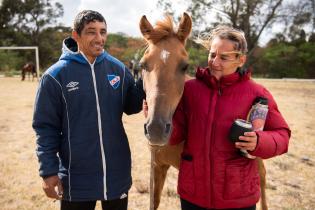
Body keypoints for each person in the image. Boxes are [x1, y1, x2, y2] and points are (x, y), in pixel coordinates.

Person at [169, 26, 291, 210]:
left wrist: (258, 141)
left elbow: (282, 136)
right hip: (193, 195)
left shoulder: (257, 93)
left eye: (224, 57)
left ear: (241, 60)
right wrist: (157, 120)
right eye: (212, 55)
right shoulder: (190, 90)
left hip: (238, 197)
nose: (215, 62)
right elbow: (175, 136)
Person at [32, 10, 145, 210]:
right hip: (77, 177)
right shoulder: (55, 77)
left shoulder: (118, 69)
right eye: (91, 32)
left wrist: (147, 77)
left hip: (116, 174)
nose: (99, 38)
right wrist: (49, 171)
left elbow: (132, 106)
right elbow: (45, 128)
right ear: (76, 35)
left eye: (103, 31)